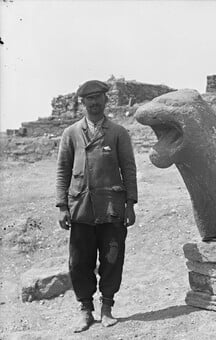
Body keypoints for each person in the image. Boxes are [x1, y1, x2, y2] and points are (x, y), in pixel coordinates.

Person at [55, 80, 138, 332]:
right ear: (82, 102)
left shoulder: (117, 132)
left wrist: (131, 203)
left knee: (112, 259)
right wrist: (62, 205)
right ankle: (85, 309)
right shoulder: (71, 133)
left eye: (98, 98)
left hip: (111, 208)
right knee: (79, 262)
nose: (94, 103)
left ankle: (107, 308)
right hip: (80, 208)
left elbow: (129, 169)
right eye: (88, 99)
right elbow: (62, 170)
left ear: (106, 100)